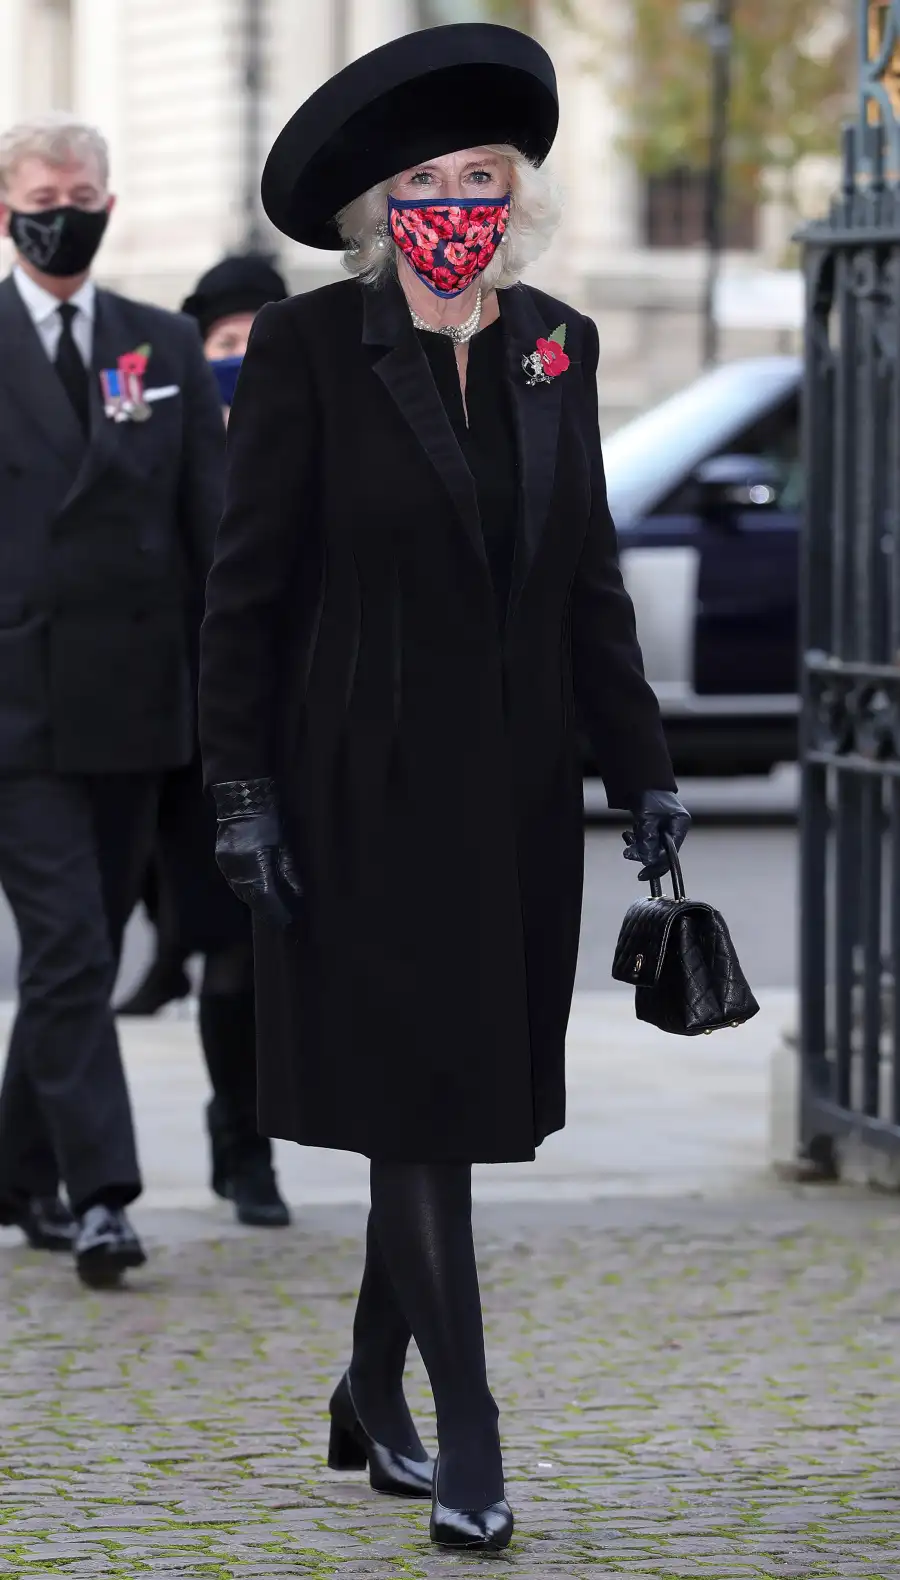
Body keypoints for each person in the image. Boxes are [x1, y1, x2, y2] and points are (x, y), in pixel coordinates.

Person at [199, 23, 690, 1552]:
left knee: (459, 1104)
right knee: (417, 1110)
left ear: (519, 197)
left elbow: (588, 581)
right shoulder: (306, 352)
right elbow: (244, 593)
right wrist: (241, 794)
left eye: (481, 175)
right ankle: (466, 1434)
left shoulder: (558, 342)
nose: (456, 201)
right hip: (358, 794)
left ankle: (365, 1378)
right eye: (424, 180)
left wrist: (646, 777)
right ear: (377, 212)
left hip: (519, 800)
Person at [0, 113, 224, 1286]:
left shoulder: (162, 344)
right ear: (6, 206)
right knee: (71, 947)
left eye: (84, 189)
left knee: (71, 956)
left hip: (139, 703)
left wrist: (226, 683)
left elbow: (212, 525)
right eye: (46, 189)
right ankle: (104, 1194)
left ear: (109, 204)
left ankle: (15, 1167)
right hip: (18, 705)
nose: (66, 206)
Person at [117, 254, 291, 1230]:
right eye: (225, 345)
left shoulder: (314, 435)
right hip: (188, 731)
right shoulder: (162, 432)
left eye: (257, 343)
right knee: (223, 943)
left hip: (289, 731)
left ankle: (255, 1131)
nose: (241, 362)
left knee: (265, 952)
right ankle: (237, 1138)